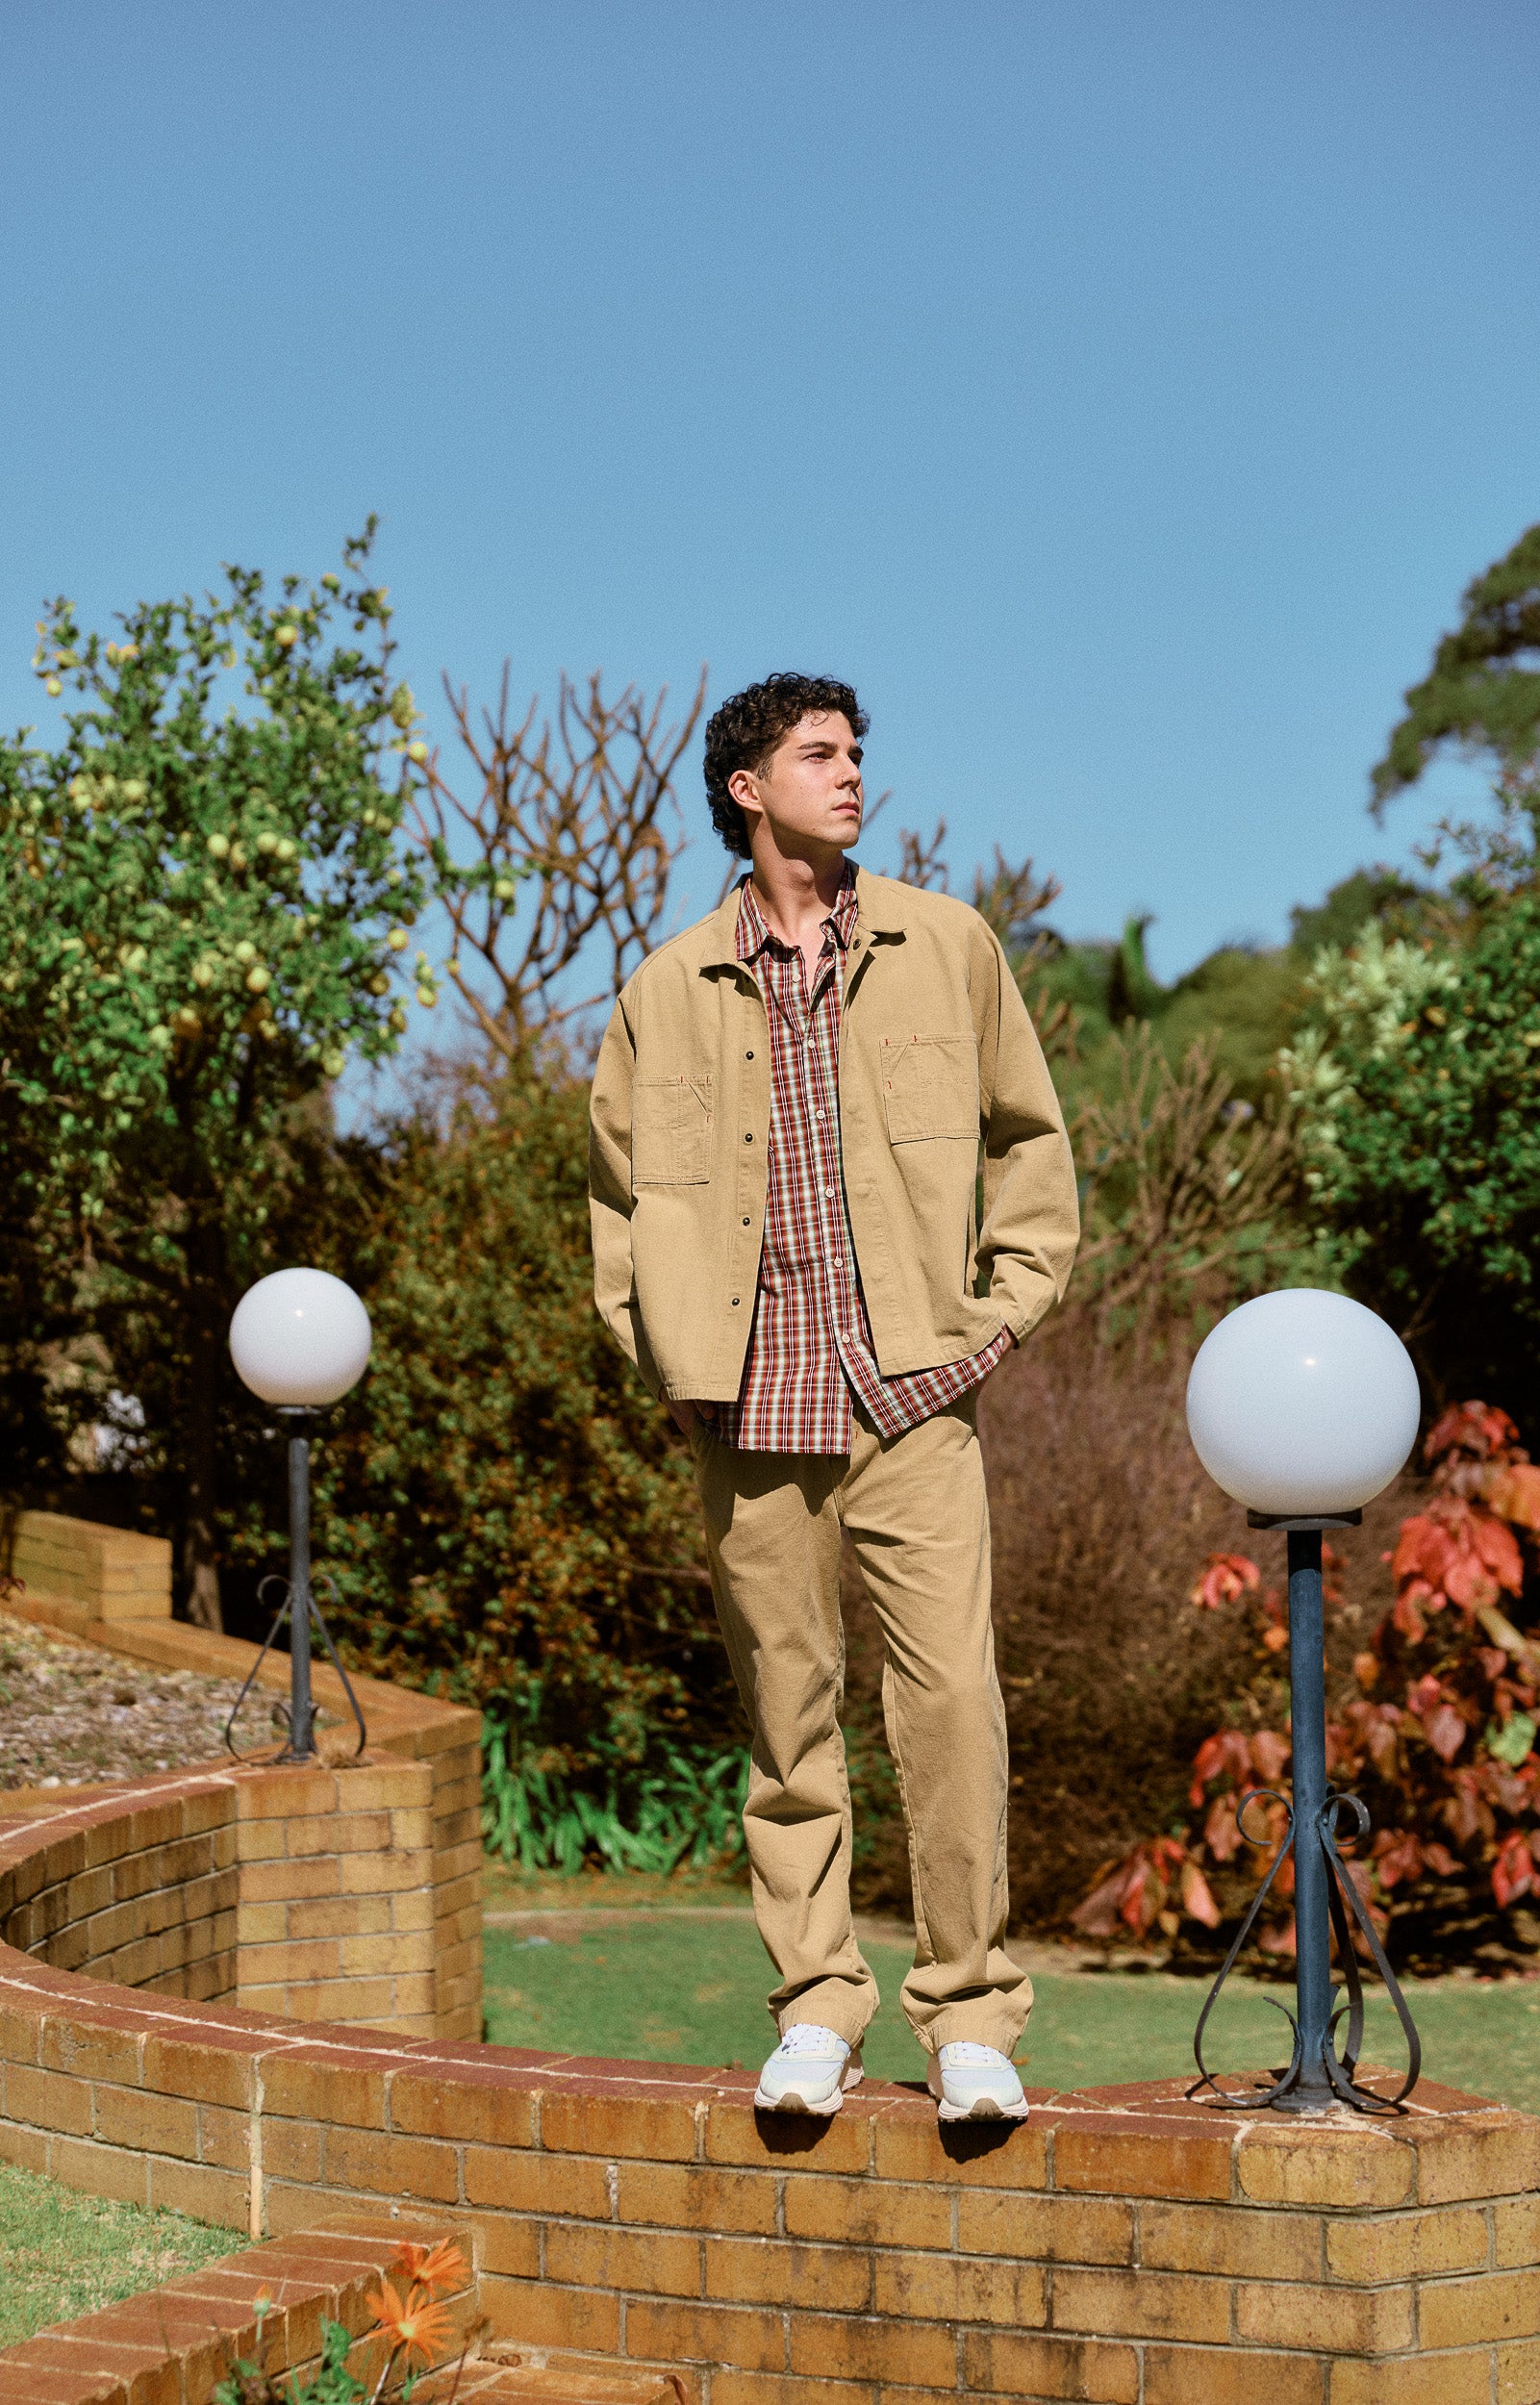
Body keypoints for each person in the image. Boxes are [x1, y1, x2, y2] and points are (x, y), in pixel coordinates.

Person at [589, 673, 1078, 2121]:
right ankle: (816, 2004)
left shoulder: (948, 946)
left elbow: (1033, 1155)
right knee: (787, 1723)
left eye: (859, 751)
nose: (852, 772)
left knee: (953, 1711)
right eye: (820, 753)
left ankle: (970, 2017)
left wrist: (985, 1333)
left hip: (914, 1398)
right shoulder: (665, 989)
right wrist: (672, 1368)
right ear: (749, 788)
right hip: (748, 1415)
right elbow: (617, 1216)